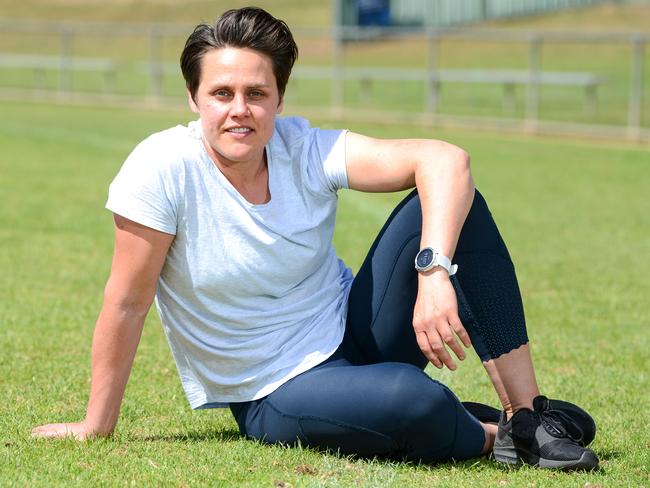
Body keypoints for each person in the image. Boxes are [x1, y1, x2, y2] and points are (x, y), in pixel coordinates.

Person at [32, 7, 598, 470]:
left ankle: (529, 414)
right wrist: (96, 424)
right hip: (272, 389)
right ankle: (497, 436)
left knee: (455, 203)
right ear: (193, 98)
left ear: (279, 98)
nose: (239, 111)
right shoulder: (160, 169)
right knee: (410, 397)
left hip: (352, 331)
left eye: (256, 93)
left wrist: (433, 271)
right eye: (221, 93)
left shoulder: (303, 147)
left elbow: (445, 160)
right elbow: (128, 302)